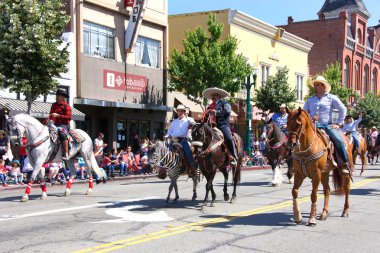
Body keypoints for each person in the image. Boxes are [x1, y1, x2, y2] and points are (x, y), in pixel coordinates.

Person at [304, 75, 350, 174]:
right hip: (313, 125)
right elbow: (304, 113)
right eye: (315, 85)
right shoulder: (310, 100)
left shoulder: (331, 98)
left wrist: (338, 123)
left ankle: (343, 164)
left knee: (339, 140)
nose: (316, 87)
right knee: (298, 139)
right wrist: (311, 119)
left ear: (324, 86)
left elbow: (343, 109)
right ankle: (296, 163)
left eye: (318, 85)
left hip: (327, 125)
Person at [202, 87, 238, 166]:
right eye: (212, 96)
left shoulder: (225, 103)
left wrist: (216, 112)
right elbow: (206, 117)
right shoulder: (210, 106)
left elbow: (227, 112)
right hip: (210, 126)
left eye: (214, 95)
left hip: (222, 126)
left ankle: (234, 157)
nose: (213, 97)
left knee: (229, 138)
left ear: (219, 96)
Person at [164, 104, 196, 170]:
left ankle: (192, 166)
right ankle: (164, 166)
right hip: (173, 139)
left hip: (183, 140)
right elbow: (170, 131)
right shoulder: (174, 122)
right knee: (165, 151)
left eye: (182, 111)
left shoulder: (188, 120)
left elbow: (194, 124)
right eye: (179, 111)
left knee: (188, 152)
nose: (180, 112)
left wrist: (191, 123)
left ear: (184, 112)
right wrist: (166, 136)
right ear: (177, 112)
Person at [49, 89, 72, 160]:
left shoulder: (66, 106)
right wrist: (50, 119)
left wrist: (58, 115)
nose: (57, 97)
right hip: (54, 124)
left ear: (62, 97)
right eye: (57, 95)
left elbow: (69, 117)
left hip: (64, 125)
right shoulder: (53, 105)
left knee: (62, 133)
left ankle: (66, 153)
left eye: (58, 96)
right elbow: (51, 114)